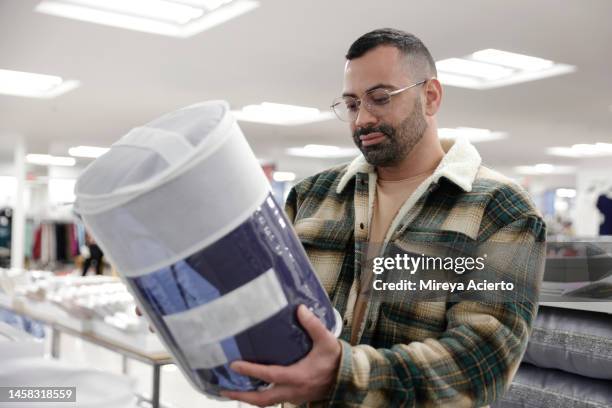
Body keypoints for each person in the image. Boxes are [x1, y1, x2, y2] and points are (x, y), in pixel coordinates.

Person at [224, 28, 548, 407]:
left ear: (430, 96)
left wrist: (342, 375)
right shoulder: (312, 197)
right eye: (351, 104)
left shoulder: (500, 209)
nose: (361, 119)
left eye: (379, 98)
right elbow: (266, 304)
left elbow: (482, 362)